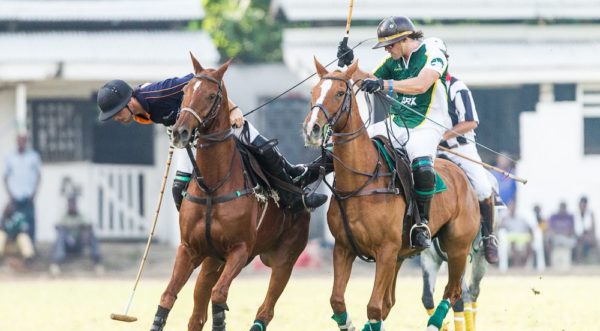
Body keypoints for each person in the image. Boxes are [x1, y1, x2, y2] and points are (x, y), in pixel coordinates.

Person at [96, 75, 327, 212]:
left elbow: (204, 81)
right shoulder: (140, 111)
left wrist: (233, 108)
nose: (117, 118)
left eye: (116, 112)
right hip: (195, 141)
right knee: (178, 190)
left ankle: (297, 197)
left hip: (222, 124)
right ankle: (197, 239)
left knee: (265, 152)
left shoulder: (158, 94)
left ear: (129, 102)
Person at [338, 16, 451, 248]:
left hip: (426, 123)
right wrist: (350, 65)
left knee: (421, 165)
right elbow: (370, 79)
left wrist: (385, 85)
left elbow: (422, 84)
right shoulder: (394, 60)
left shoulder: (433, 49)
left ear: (404, 39)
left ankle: (422, 223)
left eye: (390, 45)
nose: (387, 50)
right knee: (353, 145)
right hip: (397, 122)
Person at [410, 37, 497, 263]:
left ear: (445, 60)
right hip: (430, 148)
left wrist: (443, 136)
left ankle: (489, 236)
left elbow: (470, 122)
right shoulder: (419, 88)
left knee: (483, 189)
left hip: (460, 148)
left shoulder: (457, 86)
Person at [3, 133, 42, 243]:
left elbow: (39, 176)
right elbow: (5, 178)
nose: (21, 143)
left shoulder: (33, 156)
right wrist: (10, 194)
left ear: (26, 142)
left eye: (24, 140)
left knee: (30, 223)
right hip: (15, 197)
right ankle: (14, 248)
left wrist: (34, 193)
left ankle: (31, 249)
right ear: (16, 141)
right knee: (14, 223)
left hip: (28, 196)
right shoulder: (10, 157)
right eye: (20, 140)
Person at [49, 197, 102, 276]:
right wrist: (66, 228)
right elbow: (57, 226)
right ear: (68, 205)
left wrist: (85, 231)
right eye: (70, 205)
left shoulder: (81, 215)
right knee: (61, 234)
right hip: (67, 245)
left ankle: (97, 263)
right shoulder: (63, 216)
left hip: (79, 244)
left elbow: (89, 225)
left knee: (91, 234)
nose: (72, 206)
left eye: (73, 205)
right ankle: (56, 264)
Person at [0, 201, 35, 267]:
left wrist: (15, 232)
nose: (8, 209)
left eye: (10, 207)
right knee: (1, 234)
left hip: (16, 245)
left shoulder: (19, 218)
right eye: (7, 207)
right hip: (5, 246)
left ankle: (28, 258)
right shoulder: (2, 219)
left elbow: (25, 230)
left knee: (23, 236)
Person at [574, 196, 598, 264]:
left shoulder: (590, 214)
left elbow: (593, 227)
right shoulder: (575, 214)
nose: (582, 206)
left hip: (589, 236)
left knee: (596, 243)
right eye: (581, 204)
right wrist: (579, 236)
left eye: (584, 204)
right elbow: (574, 228)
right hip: (578, 237)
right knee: (579, 246)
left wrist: (588, 235)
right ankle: (579, 263)